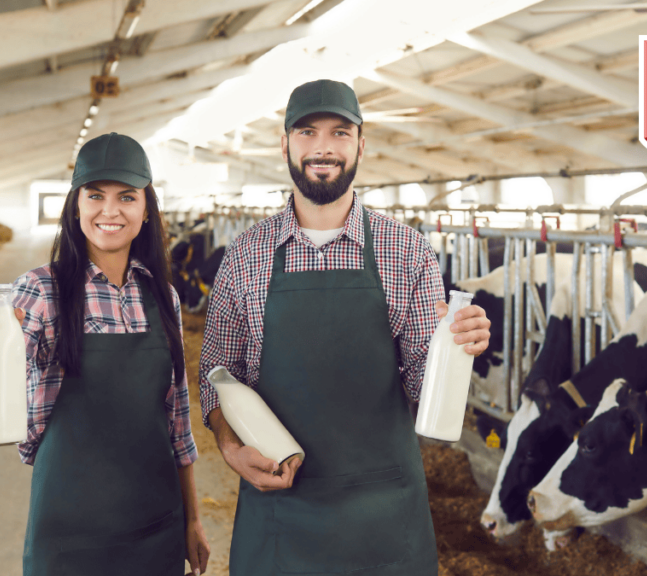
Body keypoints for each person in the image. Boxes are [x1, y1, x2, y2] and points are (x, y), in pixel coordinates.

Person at [198, 79, 492, 575]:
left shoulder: (408, 252)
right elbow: (218, 375)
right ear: (285, 143)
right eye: (307, 132)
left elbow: (422, 385)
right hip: (280, 513)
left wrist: (458, 348)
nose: (322, 147)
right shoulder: (245, 255)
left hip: (384, 518)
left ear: (361, 143)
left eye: (339, 132)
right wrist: (229, 446)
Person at [0, 133, 210, 575]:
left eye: (126, 197)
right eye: (95, 195)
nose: (109, 211)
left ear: (147, 209)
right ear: (75, 204)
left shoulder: (163, 296)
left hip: (157, 529)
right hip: (69, 538)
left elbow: (178, 422)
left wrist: (192, 519)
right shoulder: (40, 291)